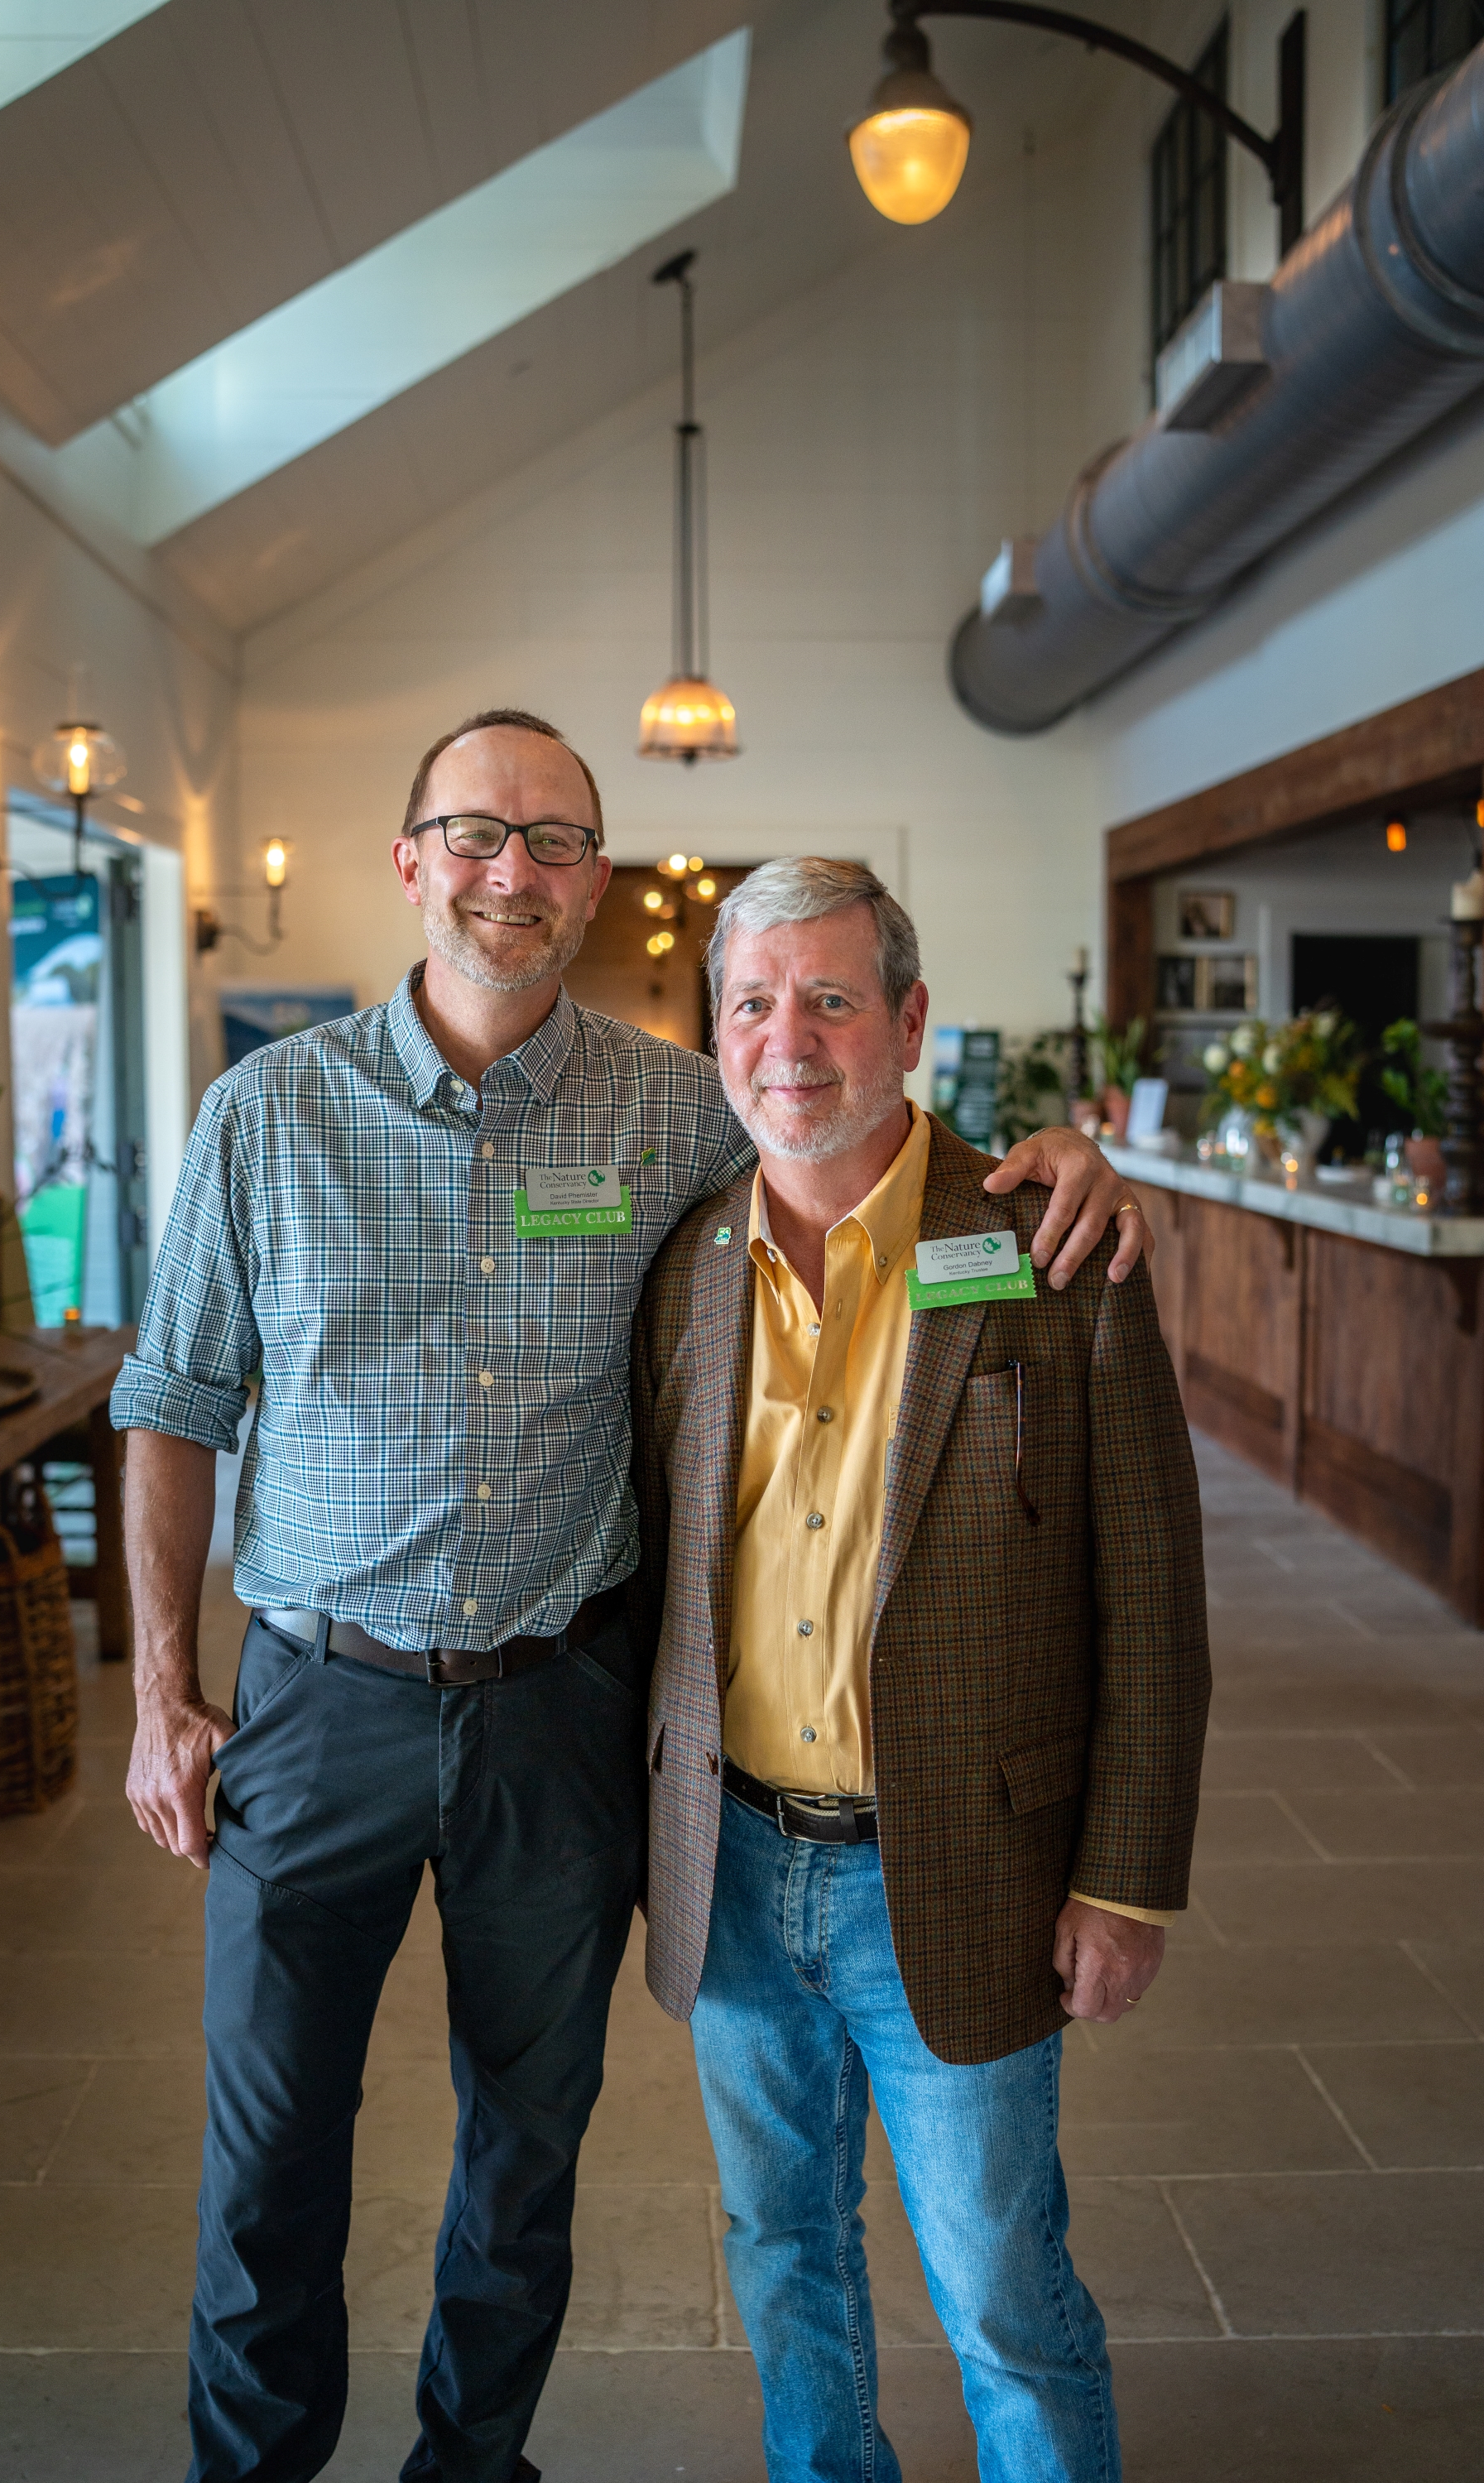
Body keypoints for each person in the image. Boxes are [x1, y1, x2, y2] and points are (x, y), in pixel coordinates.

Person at [113, 713, 1155, 2483]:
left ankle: (474, 2464)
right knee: (269, 2155)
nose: (510, 872)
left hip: (558, 1712)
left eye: (552, 842)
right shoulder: (262, 1117)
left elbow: (852, 1130)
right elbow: (173, 1402)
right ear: (409, 859)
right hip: (315, 1705)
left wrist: (1042, 1162)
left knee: (528, 2150)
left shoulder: (680, 1111)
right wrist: (161, 1691)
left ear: (594, 878)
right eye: (473, 834)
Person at [631, 857, 1209, 2483]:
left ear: (909, 1021)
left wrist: (1125, 1881)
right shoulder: (679, 1262)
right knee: (781, 2256)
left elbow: (1148, 1596)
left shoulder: (1044, 1243)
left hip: (962, 1871)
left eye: (828, 998)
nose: (786, 1040)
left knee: (1004, 2296)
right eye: (751, 1002)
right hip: (734, 1870)